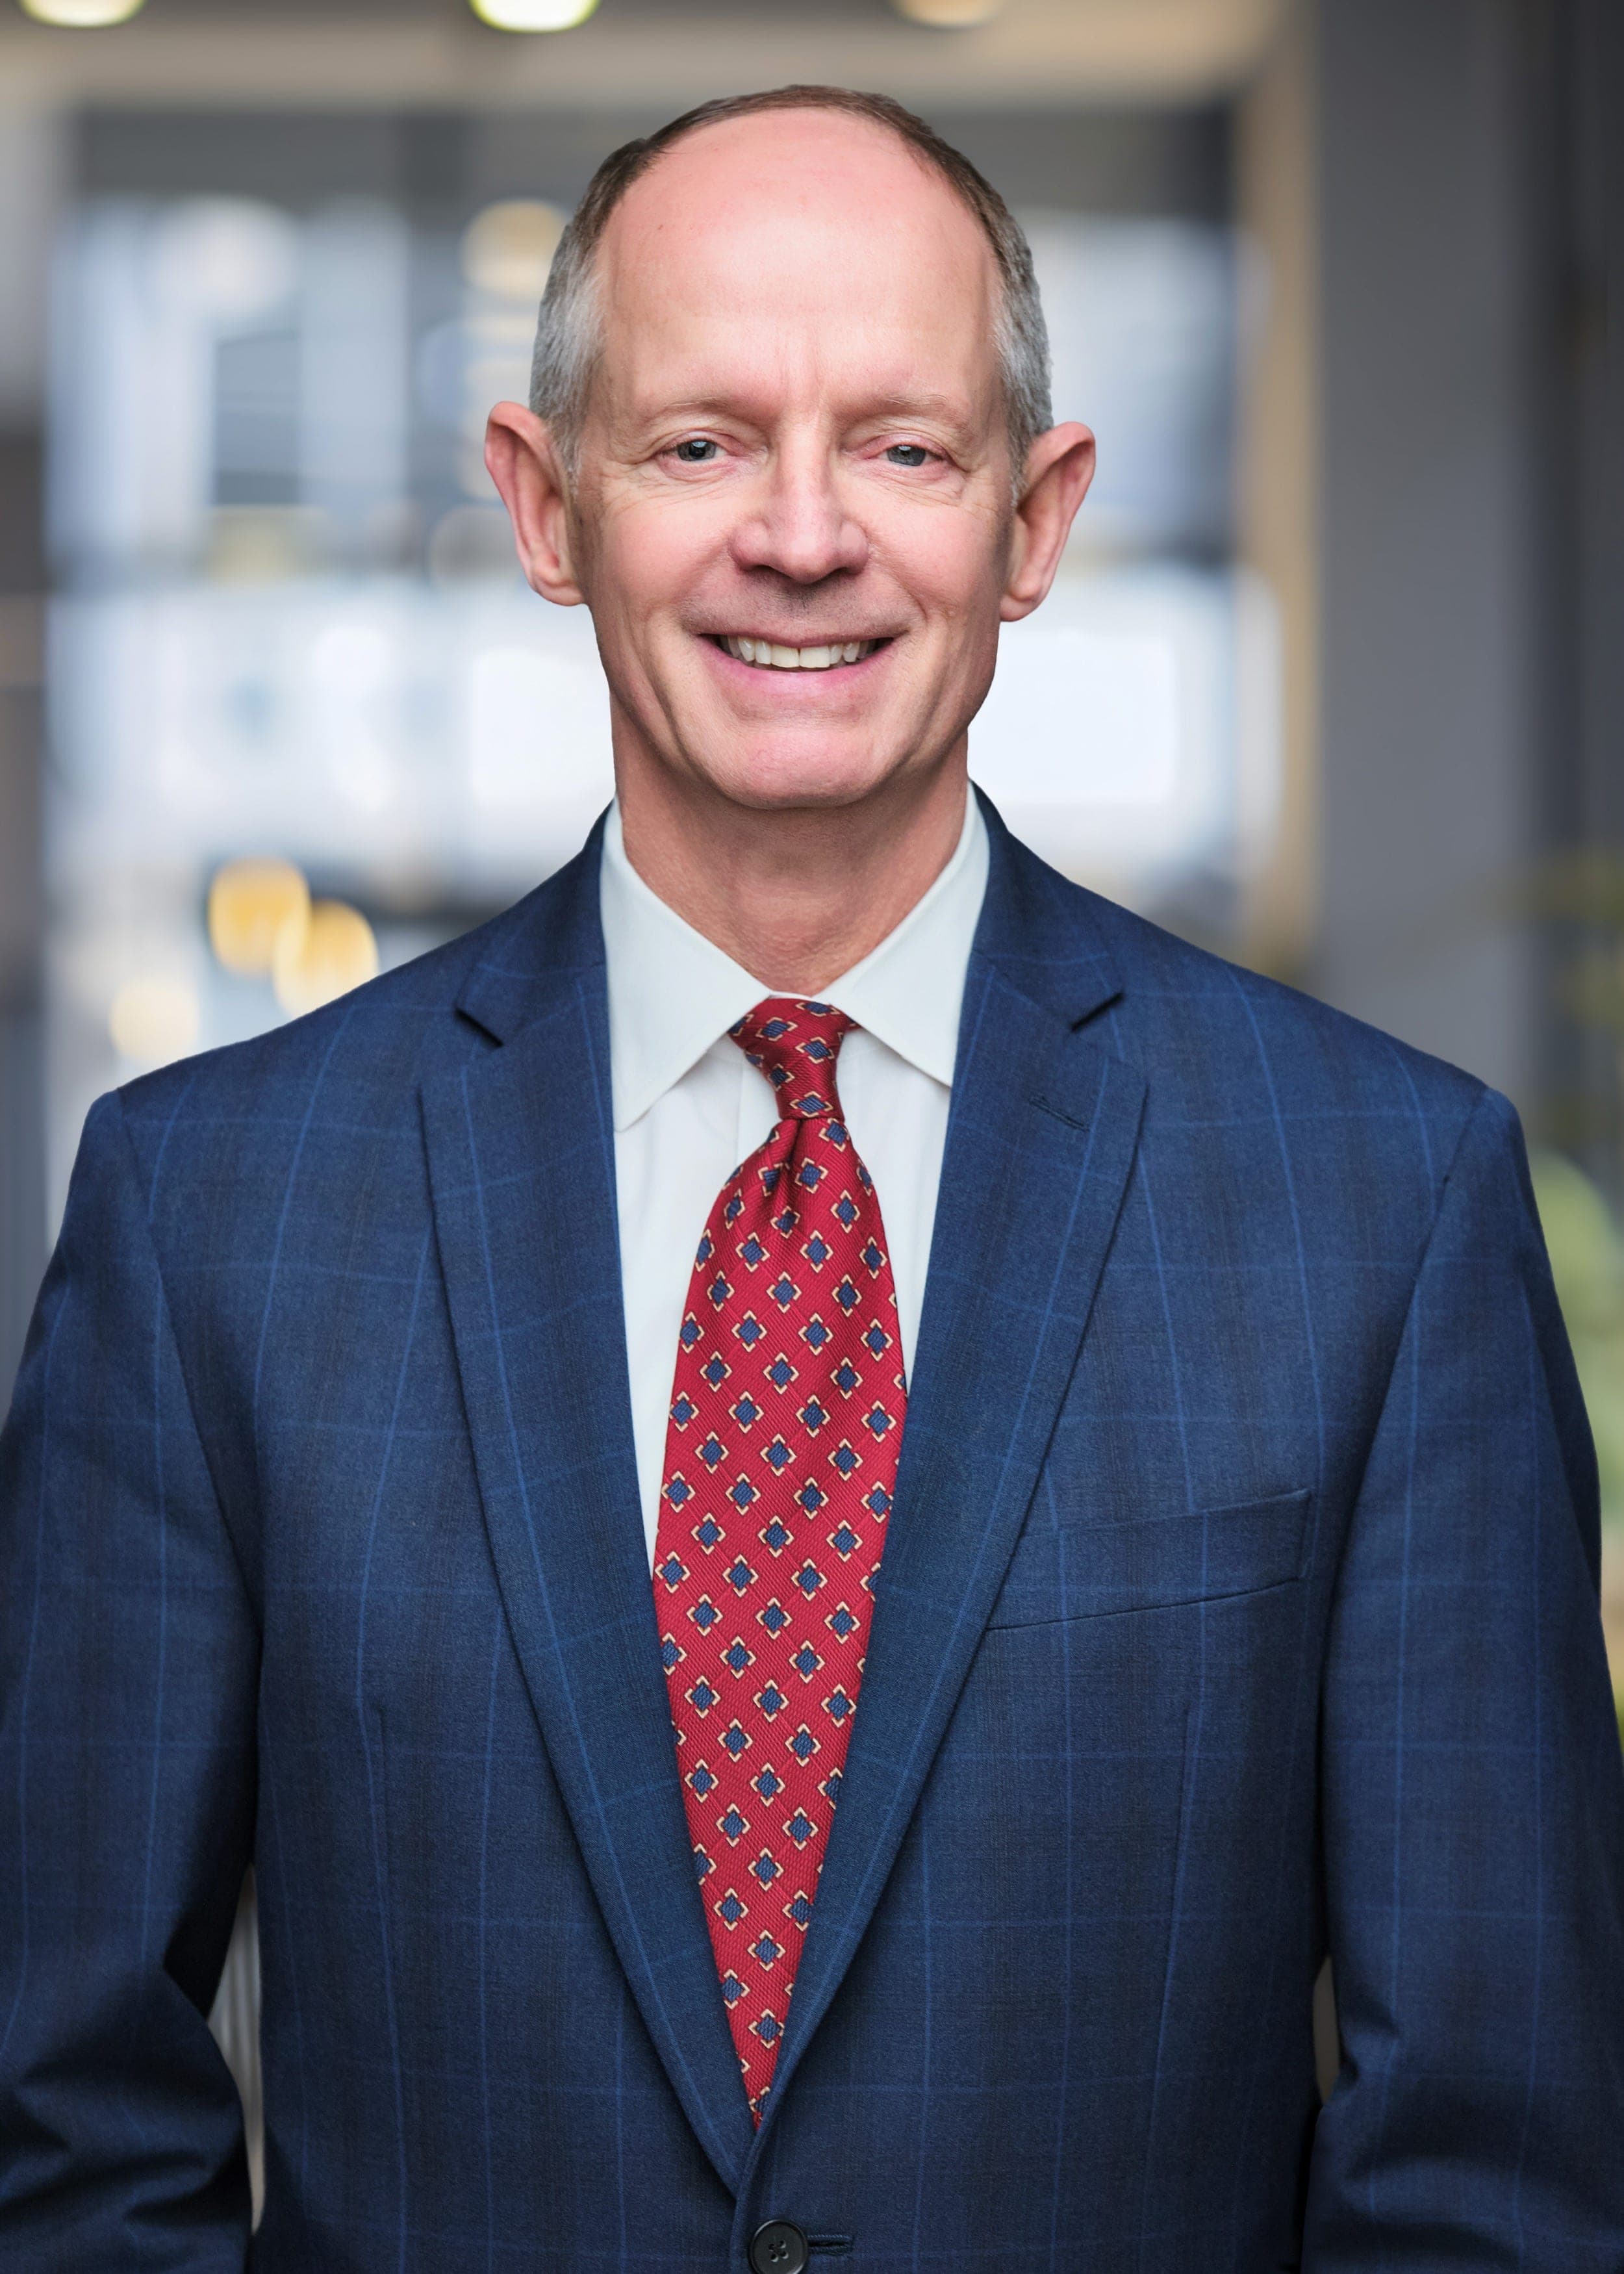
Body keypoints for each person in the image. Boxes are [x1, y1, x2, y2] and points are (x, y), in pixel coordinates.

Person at [2, 82, 1622, 2274]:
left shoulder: (1383, 1203)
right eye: (696, 443)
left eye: (902, 445)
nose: (799, 533)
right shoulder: (215, 1213)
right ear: (541, 497)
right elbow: (56, 2111)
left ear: (1033, 520)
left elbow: (1494, 2174)